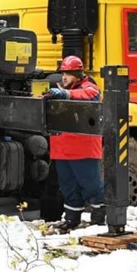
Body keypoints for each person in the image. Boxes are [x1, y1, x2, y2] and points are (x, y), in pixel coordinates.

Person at [43, 55, 105, 231]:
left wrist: (66, 94)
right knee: (68, 188)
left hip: (83, 150)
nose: (64, 77)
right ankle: (71, 219)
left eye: (68, 74)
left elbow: (88, 95)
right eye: (63, 73)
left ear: (77, 74)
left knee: (91, 186)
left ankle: (100, 218)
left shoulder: (90, 88)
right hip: (62, 150)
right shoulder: (60, 90)